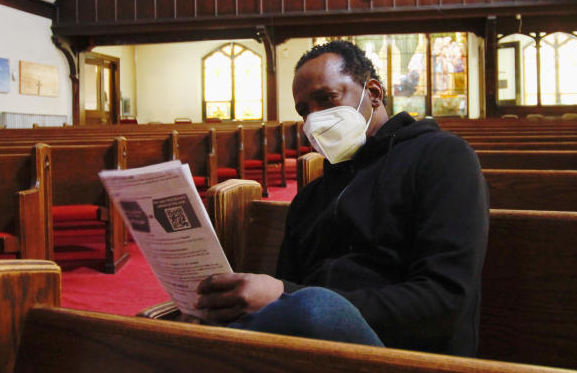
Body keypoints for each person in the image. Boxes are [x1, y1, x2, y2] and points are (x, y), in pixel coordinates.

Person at [195, 40, 489, 356]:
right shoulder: (310, 198)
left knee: (314, 308)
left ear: (373, 94)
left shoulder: (442, 158)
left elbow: (446, 300)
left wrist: (291, 297)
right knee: (196, 329)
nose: (314, 119)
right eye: (304, 110)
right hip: (312, 353)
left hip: (412, 361)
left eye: (327, 99)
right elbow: (284, 302)